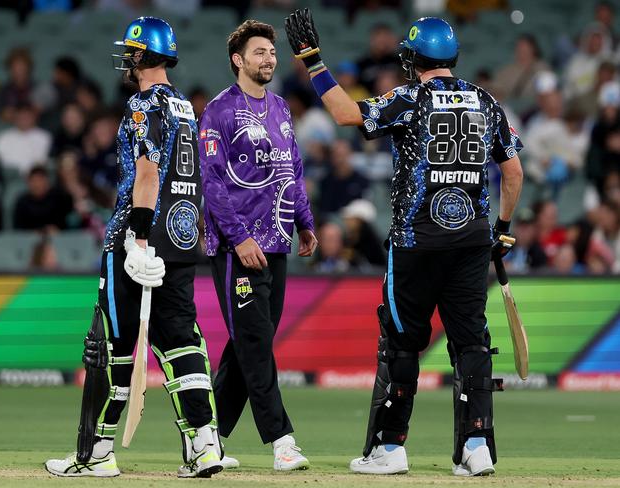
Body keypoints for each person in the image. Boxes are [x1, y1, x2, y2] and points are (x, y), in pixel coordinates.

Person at [285, 11, 524, 476]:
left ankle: (390, 449)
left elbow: (344, 113)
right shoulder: (486, 101)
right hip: (472, 242)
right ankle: (477, 448)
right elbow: (512, 172)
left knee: (400, 343)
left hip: (416, 244)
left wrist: (313, 61)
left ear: (413, 59)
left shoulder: (410, 98)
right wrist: (501, 228)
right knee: (471, 343)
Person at [45, 17, 223, 478]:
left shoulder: (142, 105)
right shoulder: (185, 105)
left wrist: (138, 235)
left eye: (131, 52)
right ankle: (205, 444)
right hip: (183, 234)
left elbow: (147, 173)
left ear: (142, 57)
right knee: (183, 340)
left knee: (114, 347)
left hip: (138, 235)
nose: (126, 59)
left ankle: (96, 452)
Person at [198, 19, 317, 472]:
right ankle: (282, 441)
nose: (269, 59)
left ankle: (209, 440)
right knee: (254, 345)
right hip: (237, 250)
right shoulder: (219, 112)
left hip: (279, 242)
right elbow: (212, 184)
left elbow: (293, 171)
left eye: (272, 52)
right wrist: (240, 237)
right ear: (238, 60)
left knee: (249, 345)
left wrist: (304, 222)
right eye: (260, 52)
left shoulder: (282, 108)